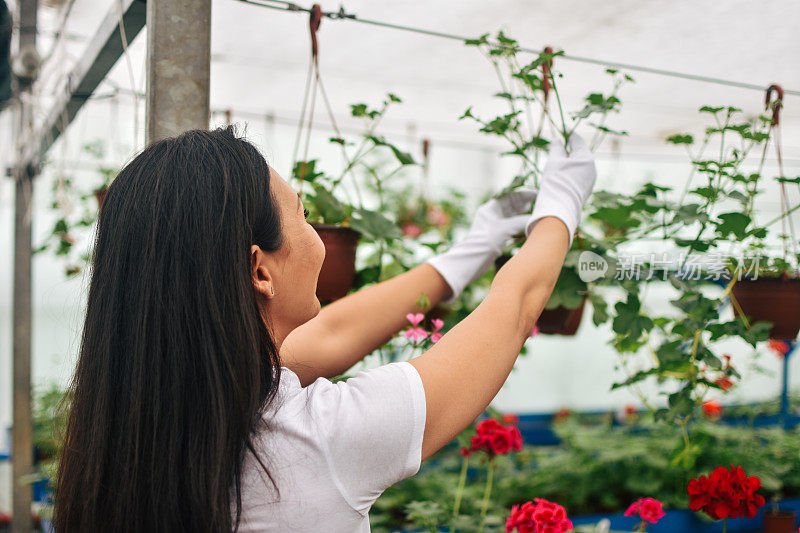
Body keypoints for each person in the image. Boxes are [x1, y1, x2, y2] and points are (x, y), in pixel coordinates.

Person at [54, 125, 596, 532]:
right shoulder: (319, 442)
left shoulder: (128, 437)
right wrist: (560, 208)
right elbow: (516, 307)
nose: (319, 238)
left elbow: (334, 334)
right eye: (304, 215)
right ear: (259, 270)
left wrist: (465, 258)